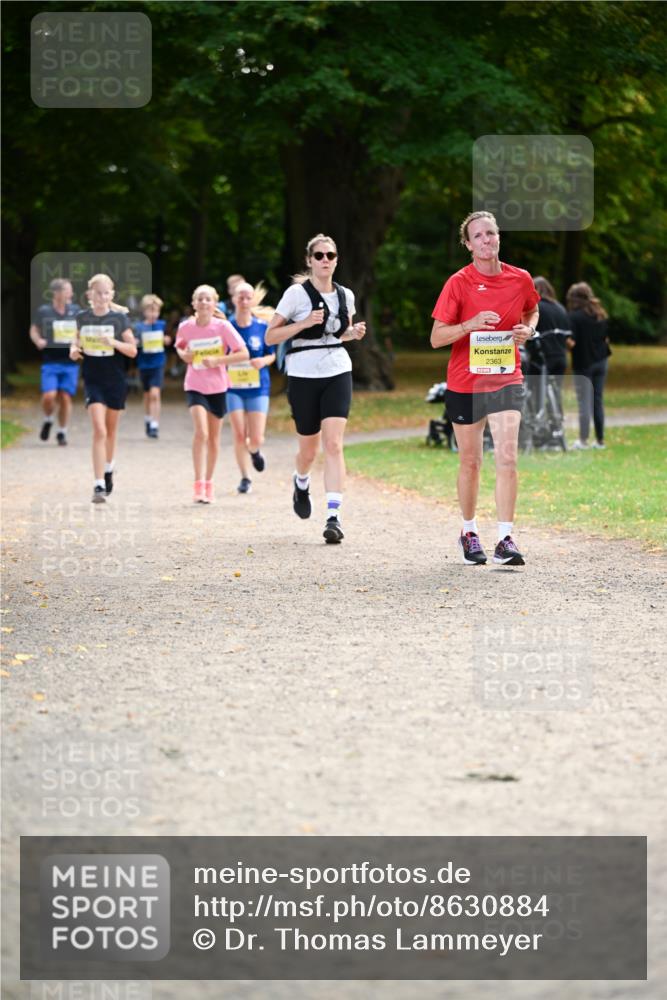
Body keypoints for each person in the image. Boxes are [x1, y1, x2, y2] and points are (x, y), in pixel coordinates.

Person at [430, 211, 539, 566]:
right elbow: (436, 338)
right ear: (468, 244)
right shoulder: (458, 283)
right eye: (478, 236)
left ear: (498, 237)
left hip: (506, 377)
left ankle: (505, 538)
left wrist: (528, 329)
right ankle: (469, 531)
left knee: (507, 457)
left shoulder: (520, 278)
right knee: (471, 462)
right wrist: (469, 325)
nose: (486, 240)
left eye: (491, 233)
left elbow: (532, 310)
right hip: (466, 381)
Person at [265, 233, 366, 543]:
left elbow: (340, 334)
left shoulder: (345, 295)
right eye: (319, 255)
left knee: (333, 444)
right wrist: (304, 322)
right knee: (308, 451)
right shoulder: (296, 294)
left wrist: (354, 333)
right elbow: (270, 336)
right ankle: (301, 480)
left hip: (338, 370)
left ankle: (333, 517)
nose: (325, 260)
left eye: (330, 255)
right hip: (302, 374)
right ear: (309, 261)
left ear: (336, 260)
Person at [175, 284, 249, 503]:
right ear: (194, 304)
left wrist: (218, 360)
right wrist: (184, 355)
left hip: (217, 386)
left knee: (214, 439)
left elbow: (243, 353)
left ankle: (209, 482)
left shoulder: (223, 327)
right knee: (201, 433)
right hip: (194, 384)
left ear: (215, 303)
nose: (204, 302)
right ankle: (198, 484)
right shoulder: (186, 327)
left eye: (208, 299)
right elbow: (180, 347)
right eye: (200, 299)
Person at [69, 274, 137, 503]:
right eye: (97, 292)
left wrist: (114, 343)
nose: (101, 297)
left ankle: (109, 467)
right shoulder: (82, 317)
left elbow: (133, 350)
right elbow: (75, 341)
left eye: (106, 293)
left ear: (111, 295)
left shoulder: (119, 319)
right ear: (89, 295)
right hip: (93, 379)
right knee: (99, 430)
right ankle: (98, 484)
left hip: (115, 381)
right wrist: (73, 349)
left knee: (110, 430)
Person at [226, 281, 276, 494]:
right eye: (240, 297)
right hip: (233, 387)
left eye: (248, 297)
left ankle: (255, 451)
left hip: (258, 386)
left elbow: (272, 354)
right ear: (234, 300)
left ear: (252, 300)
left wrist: (262, 362)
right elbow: (218, 351)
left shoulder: (262, 327)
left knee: (255, 437)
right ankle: (245, 477)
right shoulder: (226, 326)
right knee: (239, 435)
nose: (244, 301)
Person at [29, 278, 81, 445]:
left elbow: (81, 330)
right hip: (50, 361)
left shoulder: (75, 310)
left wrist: (79, 343)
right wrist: (38, 340)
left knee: (66, 398)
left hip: (70, 362)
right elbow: (34, 329)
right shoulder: (44, 311)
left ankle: (62, 432)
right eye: (68, 290)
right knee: (49, 396)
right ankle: (48, 419)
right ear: (57, 293)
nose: (71, 294)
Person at [566, 282, 610, 450]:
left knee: (584, 402)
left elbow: (572, 342)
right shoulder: (600, 314)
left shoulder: (574, 317)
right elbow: (606, 339)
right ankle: (600, 441)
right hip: (601, 361)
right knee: (597, 401)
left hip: (583, 363)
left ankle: (583, 440)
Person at [526, 276, 571, 416]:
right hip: (561, 357)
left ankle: (537, 418)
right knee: (556, 391)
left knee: (536, 390)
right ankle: (557, 421)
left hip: (543, 357)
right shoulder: (560, 308)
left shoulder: (538, 308)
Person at [133, 293, 172, 439]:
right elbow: (134, 341)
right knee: (147, 395)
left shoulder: (162, 325)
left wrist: (167, 339)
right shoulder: (139, 326)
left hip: (158, 363)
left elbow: (169, 338)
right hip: (144, 364)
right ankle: (148, 418)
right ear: (144, 311)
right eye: (150, 310)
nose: (153, 313)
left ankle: (155, 424)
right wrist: (136, 343)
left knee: (155, 394)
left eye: (156, 311)